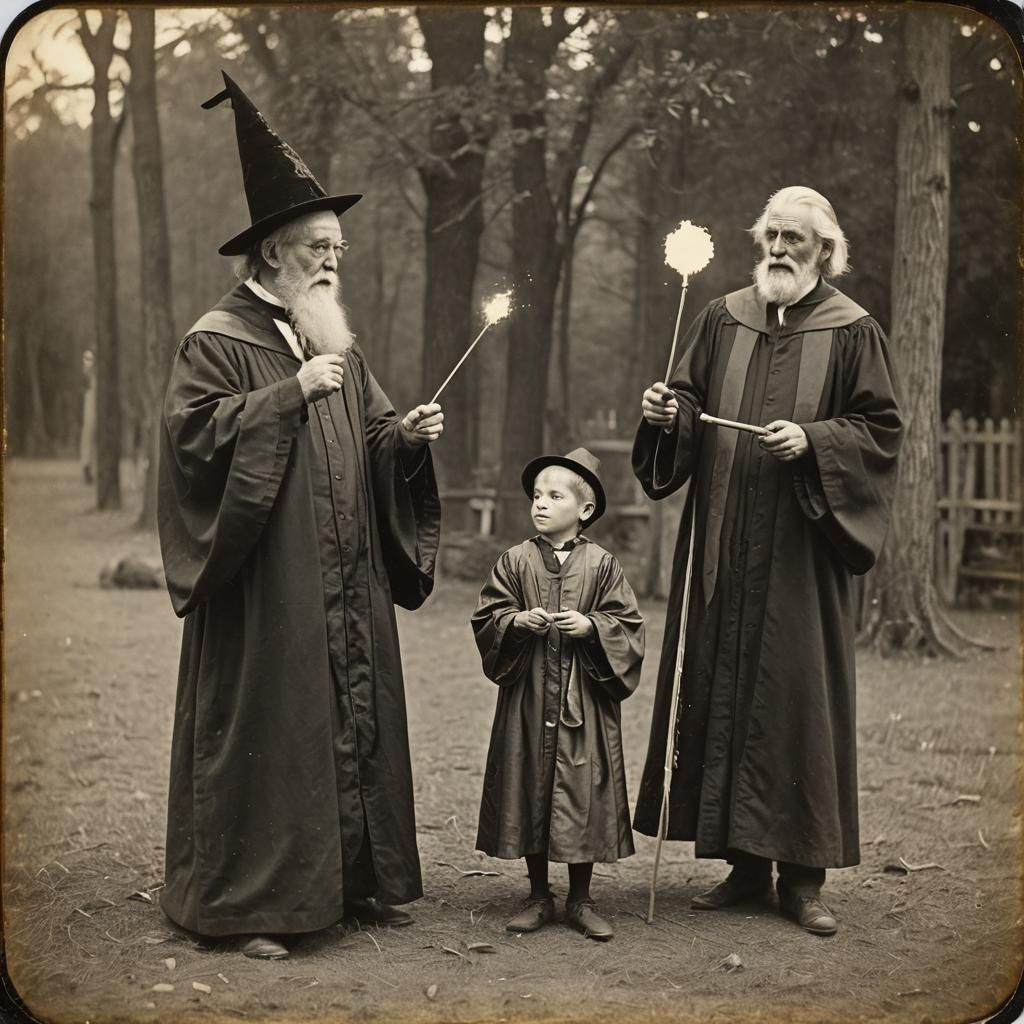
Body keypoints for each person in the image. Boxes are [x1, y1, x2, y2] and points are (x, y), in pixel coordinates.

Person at [157, 72, 443, 960]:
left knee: (346, 713)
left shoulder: (332, 342)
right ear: (273, 251)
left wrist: (407, 440)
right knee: (276, 726)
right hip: (267, 592)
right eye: (318, 246)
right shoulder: (219, 339)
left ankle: (354, 880)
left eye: (337, 250)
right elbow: (191, 445)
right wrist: (284, 397)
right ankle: (260, 906)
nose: (331, 262)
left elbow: (370, 435)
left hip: (346, 581)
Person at [633, 186, 903, 936]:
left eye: (796, 239)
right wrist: (666, 414)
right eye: (771, 236)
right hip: (723, 545)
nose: (780, 249)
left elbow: (880, 429)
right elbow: (684, 406)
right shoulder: (723, 317)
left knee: (794, 701)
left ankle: (803, 878)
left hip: (798, 555)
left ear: (825, 251)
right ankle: (744, 866)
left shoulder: (853, 331)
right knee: (722, 686)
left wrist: (813, 442)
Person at [471, 449, 645, 941]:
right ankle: (538, 894)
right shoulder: (515, 560)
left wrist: (592, 626)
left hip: (582, 701)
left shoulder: (603, 564)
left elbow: (628, 626)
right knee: (530, 781)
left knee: (582, 789)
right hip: (528, 697)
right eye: (536, 496)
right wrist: (515, 621)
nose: (541, 505)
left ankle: (581, 898)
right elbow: (489, 616)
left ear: (583, 510)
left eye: (554, 495)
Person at [79, 349, 97, 485]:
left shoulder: (94, 375)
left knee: (90, 440)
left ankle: (89, 469)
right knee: (88, 438)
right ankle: (86, 468)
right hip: (88, 410)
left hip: (92, 410)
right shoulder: (86, 374)